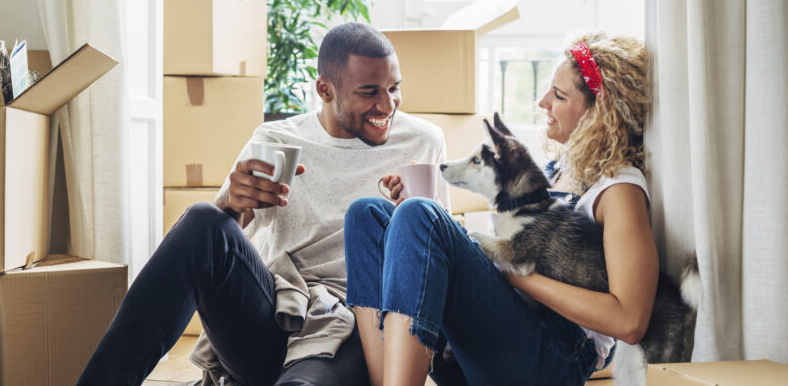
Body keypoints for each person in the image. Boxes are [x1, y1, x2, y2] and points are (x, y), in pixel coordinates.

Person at [77, 22, 451, 386]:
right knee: (203, 219)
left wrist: (412, 215)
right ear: (325, 89)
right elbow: (219, 242)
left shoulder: (423, 142)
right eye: (370, 92)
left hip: (355, 328)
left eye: (394, 88)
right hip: (273, 313)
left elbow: (441, 260)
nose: (387, 105)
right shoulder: (276, 139)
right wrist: (231, 202)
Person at [344, 31, 654, 385]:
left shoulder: (618, 188)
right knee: (367, 214)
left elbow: (630, 321)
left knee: (420, 217)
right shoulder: (558, 172)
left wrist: (516, 273)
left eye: (559, 94)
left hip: (553, 355)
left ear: (600, 113)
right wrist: (410, 229)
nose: (542, 102)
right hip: (503, 331)